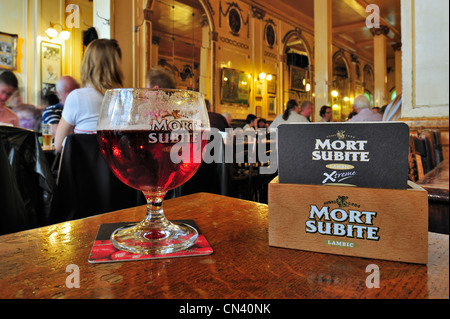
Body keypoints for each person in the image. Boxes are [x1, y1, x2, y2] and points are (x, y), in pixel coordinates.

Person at [55, 39, 124, 152]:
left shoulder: (76, 97)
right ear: (116, 67)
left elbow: (58, 145)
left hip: (84, 168)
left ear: (87, 64)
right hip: (115, 167)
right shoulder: (125, 98)